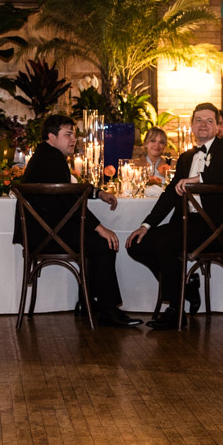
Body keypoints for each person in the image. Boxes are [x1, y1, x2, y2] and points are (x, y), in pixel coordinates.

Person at [126, 103, 223, 330]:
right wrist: (146, 225)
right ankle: (187, 285)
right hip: (187, 224)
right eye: (199, 120)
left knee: (165, 243)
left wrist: (196, 179)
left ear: (218, 127)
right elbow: (171, 194)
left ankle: (175, 310)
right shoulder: (185, 157)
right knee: (137, 244)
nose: (204, 124)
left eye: (210, 120)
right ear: (191, 126)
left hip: (215, 228)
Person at [16, 114, 141, 328]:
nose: (73, 139)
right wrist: (100, 228)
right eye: (68, 135)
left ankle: (88, 303)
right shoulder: (50, 158)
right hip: (46, 236)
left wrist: (98, 193)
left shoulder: (47, 156)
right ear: (51, 136)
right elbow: (68, 200)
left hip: (42, 233)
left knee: (95, 243)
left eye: (73, 134)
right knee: (103, 243)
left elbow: (69, 190)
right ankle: (108, 311)